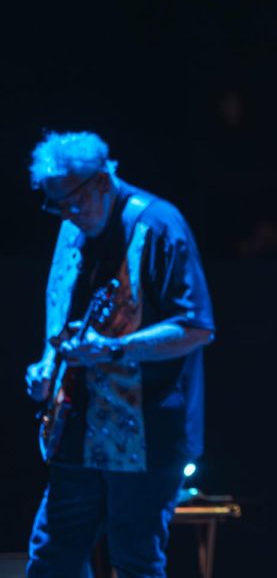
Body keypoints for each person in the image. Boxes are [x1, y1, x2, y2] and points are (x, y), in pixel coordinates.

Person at [24, 131, 215, 577]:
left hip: (145, 432)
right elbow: (63, 313)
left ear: (102, 183)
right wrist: (46, 367)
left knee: (135, 561)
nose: (66, 215)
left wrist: (113, 350)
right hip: (76, 425)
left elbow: (196, 327)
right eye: (56, 206)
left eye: (72, 203)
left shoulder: (159, 224)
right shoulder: (73, 225)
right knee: (51, 559)